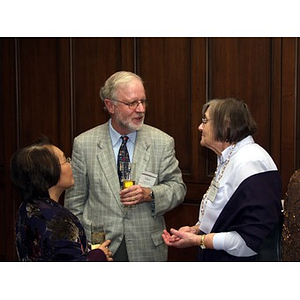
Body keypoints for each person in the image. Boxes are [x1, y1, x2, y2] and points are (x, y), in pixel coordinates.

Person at [64, 71, 186, 261]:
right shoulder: (84, 144)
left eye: (143, 101)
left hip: (146, 247)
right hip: (101, 247)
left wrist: (150, 194)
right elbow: (75, 203)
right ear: (110, 105)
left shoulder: (162, 142)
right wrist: (80, 247)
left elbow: (178, 188)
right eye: (132, 103)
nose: (141, 109)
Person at [162, 98, 282, 261]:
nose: (200, 127)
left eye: (205, 120)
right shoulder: (229, 156)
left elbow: (249, 241)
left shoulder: (251, 162)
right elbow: (224, 215)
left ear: (226, 124)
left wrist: (199, 240)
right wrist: (197, 230)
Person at [11, 136, 113, 261]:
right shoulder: (58, 220)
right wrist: (99, 255)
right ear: (49, 170)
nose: (71, 165)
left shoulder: (27, 206)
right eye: (66, 160)